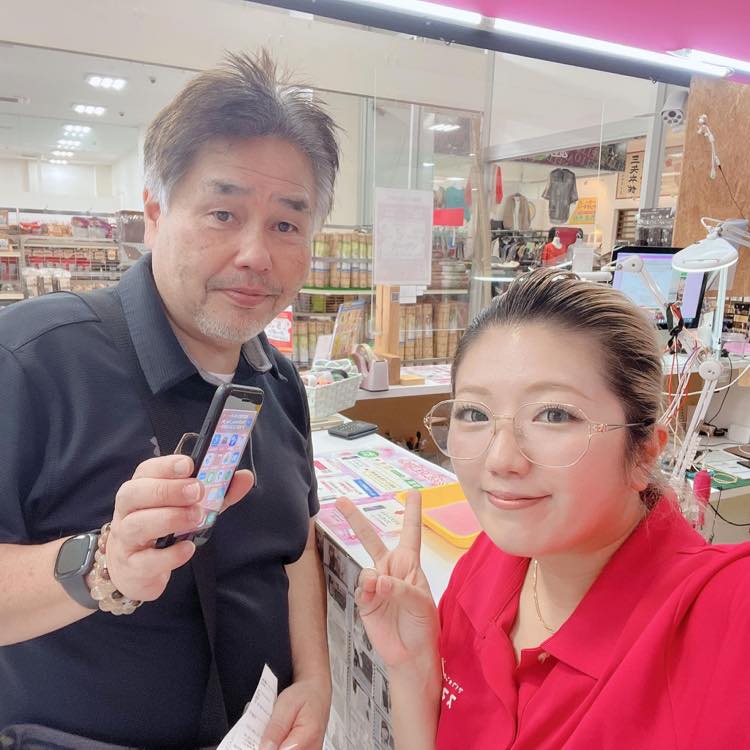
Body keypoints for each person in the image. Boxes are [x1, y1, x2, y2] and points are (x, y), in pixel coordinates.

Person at [0, 51, 339, 750]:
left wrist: (315, 677)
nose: (256, 254)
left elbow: (296, 543)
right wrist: (100, 565)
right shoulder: (32, 359)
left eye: (286, 224)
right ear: (155, 214)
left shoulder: (278, 381)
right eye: (223, 213)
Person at [338, 268, 750, 749]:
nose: (500, 460)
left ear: (643, 452)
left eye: (554, 414)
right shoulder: (487, 566)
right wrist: (412, 666)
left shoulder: (719, 617)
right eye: (474, 413)